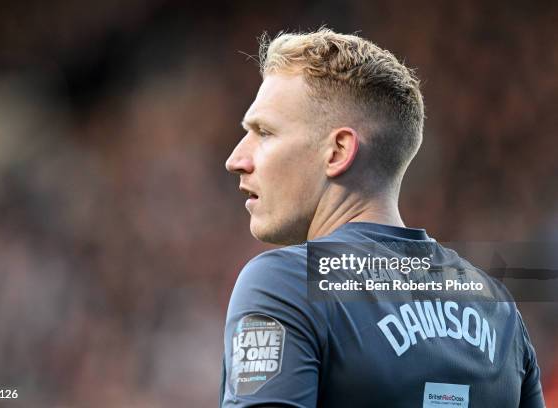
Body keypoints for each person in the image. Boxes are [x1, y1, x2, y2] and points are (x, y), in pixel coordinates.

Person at [220, 28, 545, 407]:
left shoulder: (284, 285)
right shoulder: (497, 307)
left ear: (338, 151)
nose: (236, 159)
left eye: (264, 132)